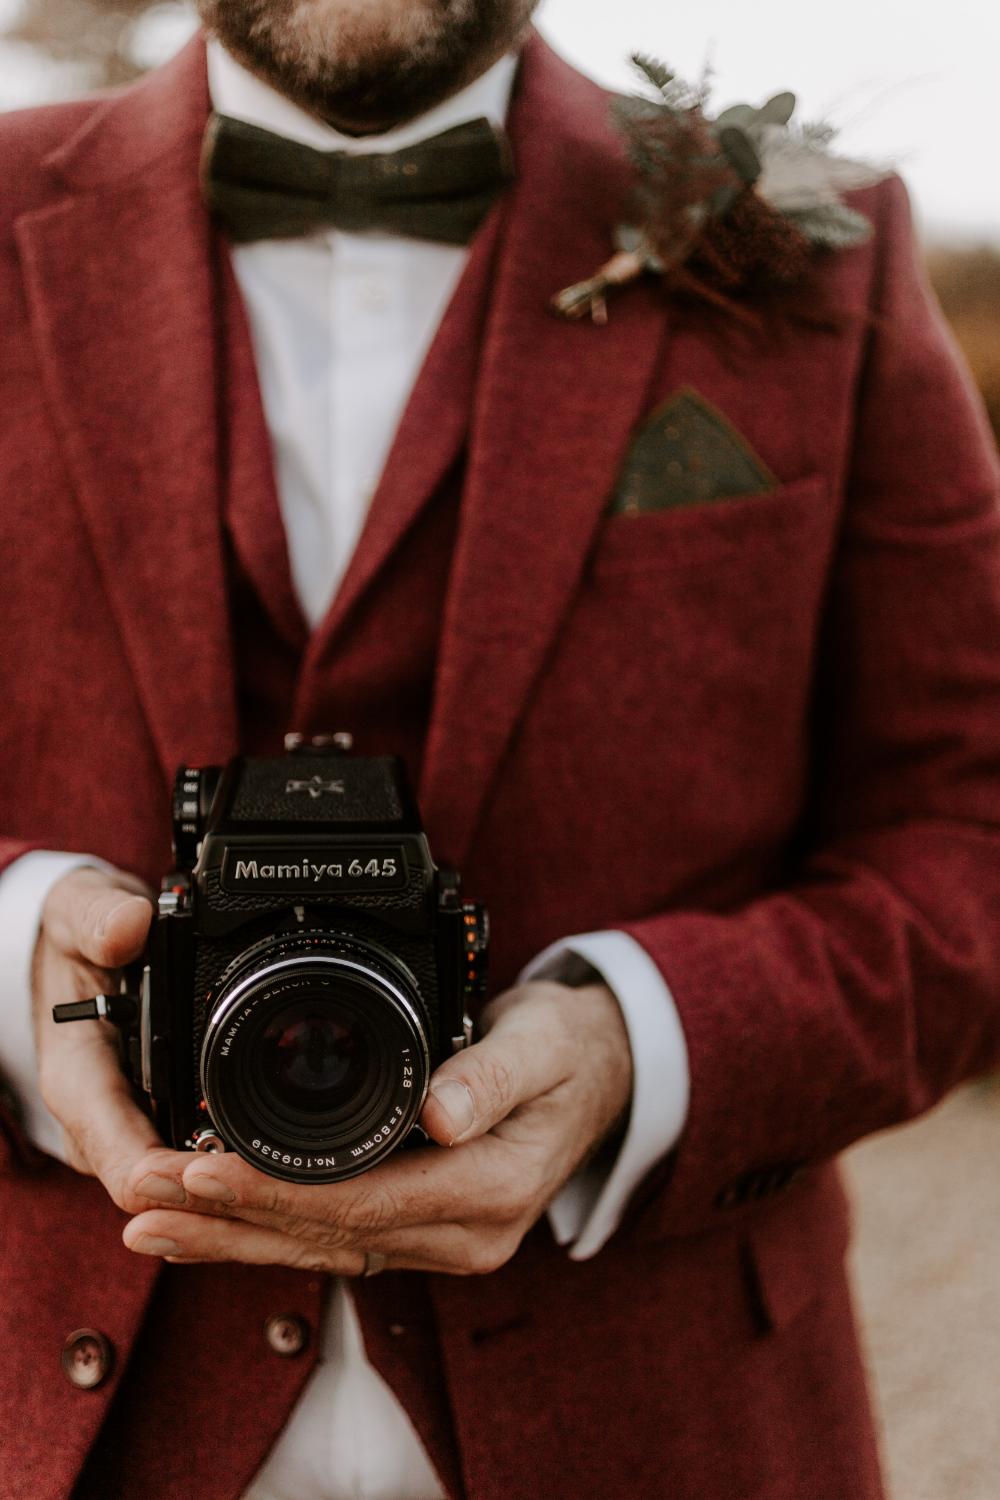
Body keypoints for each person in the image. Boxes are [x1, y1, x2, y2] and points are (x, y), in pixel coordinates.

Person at [1, 2, 999, 1497]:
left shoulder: (814, 232)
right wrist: (12, 955)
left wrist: (639, 1045)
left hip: (671, 1429)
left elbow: (968, 833)